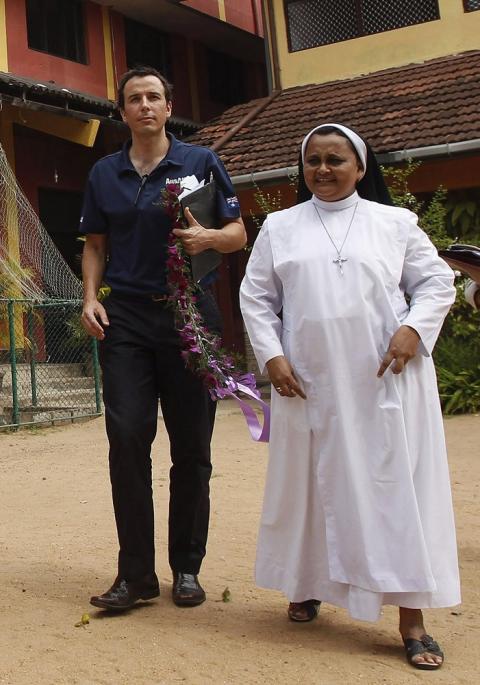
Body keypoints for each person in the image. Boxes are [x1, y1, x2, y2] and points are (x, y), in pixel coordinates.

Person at [240, 123, 460, 670]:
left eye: (335, 159)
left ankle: (412, 618)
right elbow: (257, 296)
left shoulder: (395, 222)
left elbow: (436, 283)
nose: (322, 169)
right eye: (312, 160)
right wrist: (271, 355)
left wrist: (413, 331)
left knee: (397, 491)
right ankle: (306, 582)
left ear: (361, 167)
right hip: (307, 382)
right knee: (311, 488)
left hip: (383, 380)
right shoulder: (280, 226)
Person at [80, 66, 246, 611]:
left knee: (192, 447)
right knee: (127, 440)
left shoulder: (200, 163)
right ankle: (136, 576)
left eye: (154, 97)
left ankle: (187, 569)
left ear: (168, 106)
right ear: (123, 111)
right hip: (125, 318)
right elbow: (95, 243)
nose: (145, 106)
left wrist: (207, 236)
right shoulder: (104, 172)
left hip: (188, 318)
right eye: (134, 99)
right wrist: (90, 297)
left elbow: (236, 234)